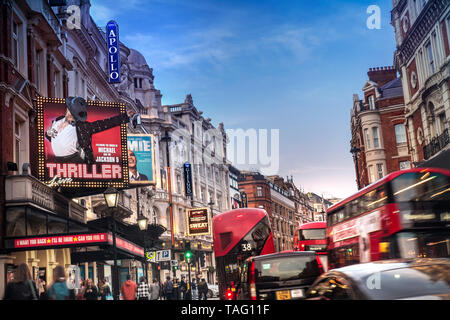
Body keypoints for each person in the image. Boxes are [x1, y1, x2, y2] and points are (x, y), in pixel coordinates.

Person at [45, 96, 135, 164]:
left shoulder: (83, 127)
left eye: (73, 114)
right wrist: (48, 134)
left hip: (73, 161)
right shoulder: (58, 120)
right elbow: (51, 136)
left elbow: (104, 124)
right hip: (57, 161)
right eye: (70, 111)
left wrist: (125, 116)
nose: (69, 114)